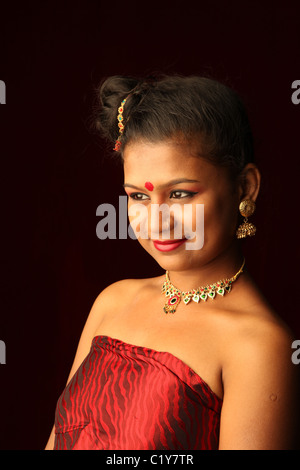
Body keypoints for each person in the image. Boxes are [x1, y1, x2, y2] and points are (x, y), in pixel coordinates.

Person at [45, 74, 298, 450]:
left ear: (245, 187)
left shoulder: (258, 346)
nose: (157, 220)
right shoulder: (112, 302)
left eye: (180, 193)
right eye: (139, 197)